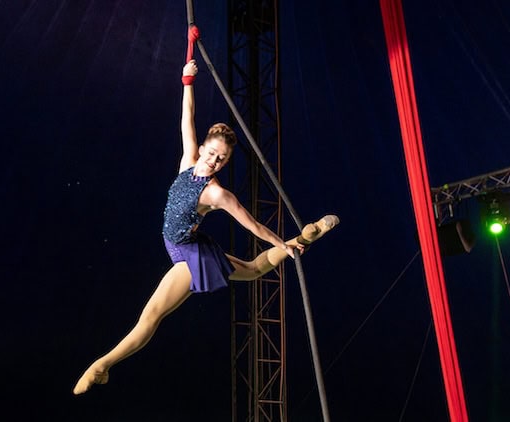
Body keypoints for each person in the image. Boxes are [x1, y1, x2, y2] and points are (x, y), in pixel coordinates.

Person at [73, 59, 339, 395]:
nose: (214, 161)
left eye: (221, 159)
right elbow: (187, 118)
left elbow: (253, 225)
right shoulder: (188, 161)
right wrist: (187, 80)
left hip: (187, 256)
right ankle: (303, 236)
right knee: (255, 270)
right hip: (186, 247)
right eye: (212, 154)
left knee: (151, 316)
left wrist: (280, 244)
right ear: (202, 149)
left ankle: (101, 366)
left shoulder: (216, 193)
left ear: (225, 162)